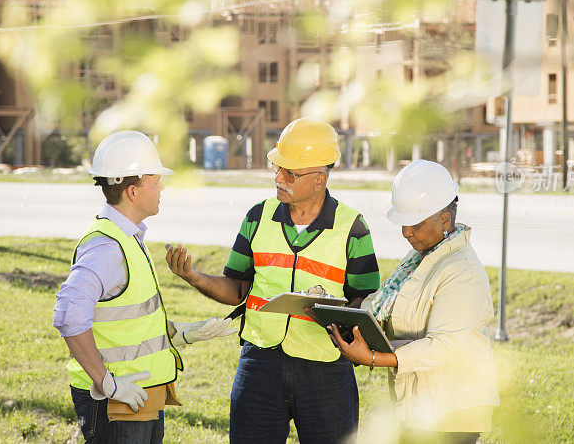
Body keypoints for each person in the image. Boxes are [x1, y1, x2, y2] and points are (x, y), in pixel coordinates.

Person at [165, 117, 381, 444]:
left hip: (325, 371)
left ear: (320, 179)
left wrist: (339, 317)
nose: (278, 178)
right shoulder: (257, 217)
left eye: (290, 172)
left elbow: (366, 301)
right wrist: (193, 277)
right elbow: (235, 288)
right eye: (277, 167)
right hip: (260, 366)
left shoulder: (353, 227)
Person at [53, 130, 236, 444]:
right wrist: (106, 383)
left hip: (138, 396)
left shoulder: (127, 238)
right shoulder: (107, 248)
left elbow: (126, 319)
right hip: (114, 402)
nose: (162, 187)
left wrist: (182, 331)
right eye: (156, 181)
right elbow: (68, 315)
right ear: (134, 192)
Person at [328, 159, 499, 444]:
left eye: (415, 224)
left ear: (445, 220)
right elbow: (395, 310)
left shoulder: (461, 270)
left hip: (451, 411)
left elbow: (442, 347)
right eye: (403, 223)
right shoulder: (422, 259)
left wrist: (372, 358)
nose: (406, 232)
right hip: (422, 407)